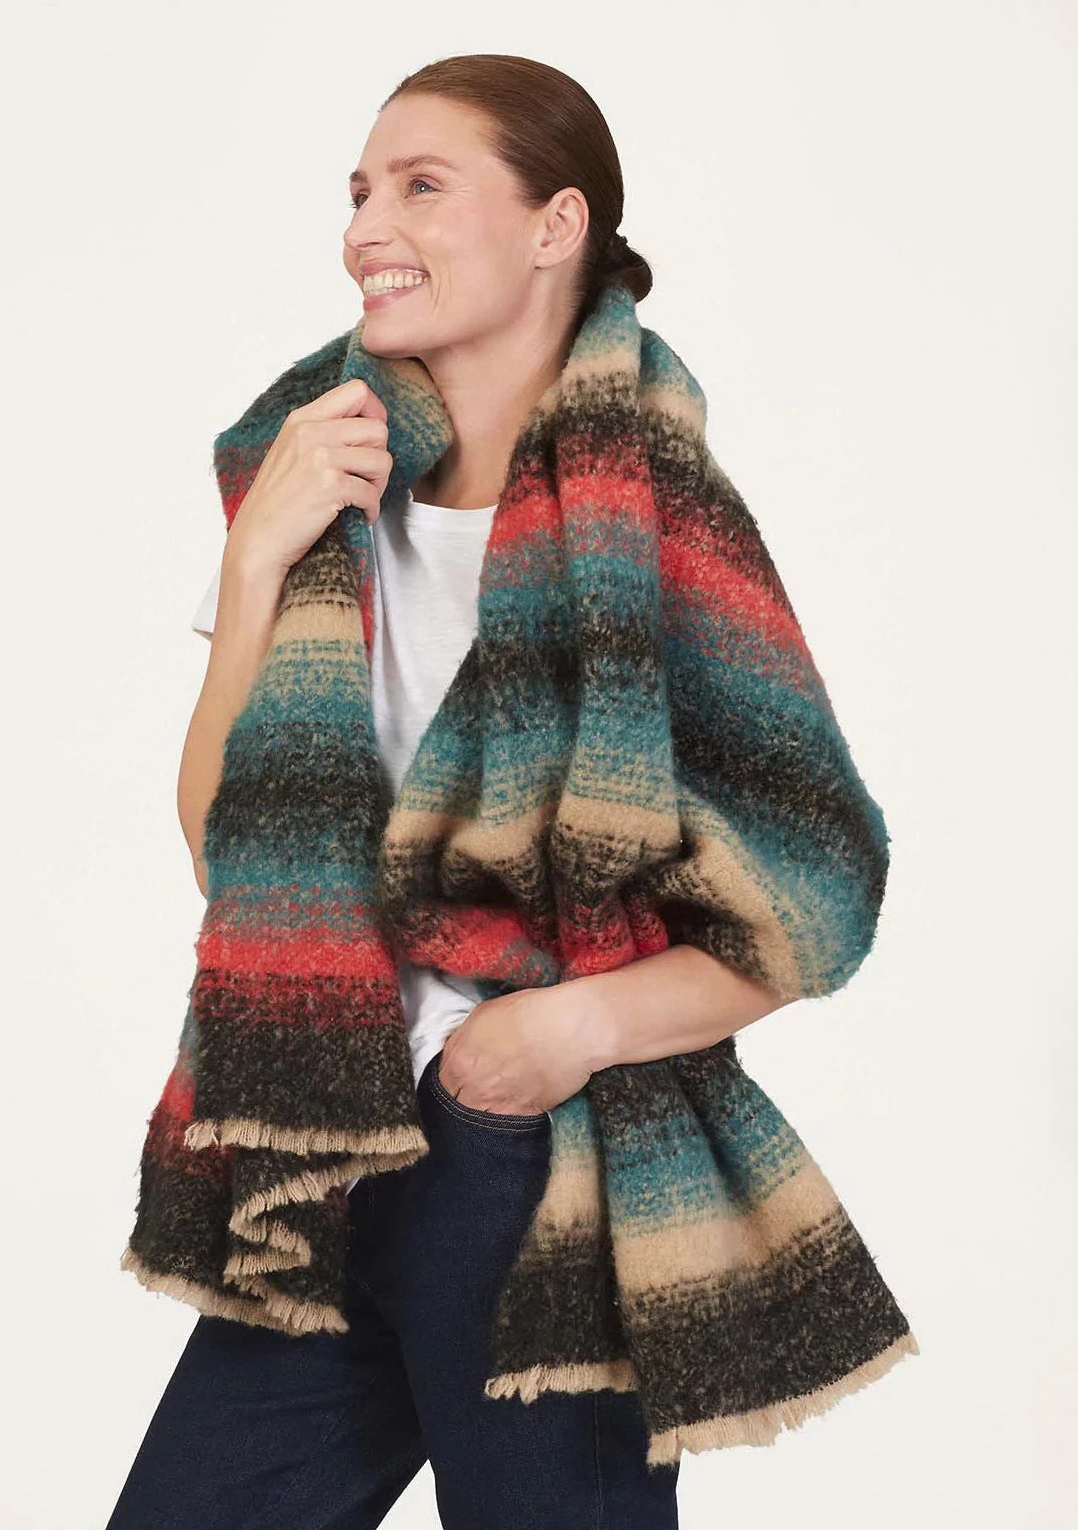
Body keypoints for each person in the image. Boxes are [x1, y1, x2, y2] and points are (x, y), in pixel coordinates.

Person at [107, 53, 794, 1530]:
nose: (369, 226)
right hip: (325, 1135)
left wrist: (557, 1035)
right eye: (361, 191)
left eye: (423, 186)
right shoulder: (322, 487)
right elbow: (225, 845)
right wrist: (254, 558)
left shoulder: (656, 520)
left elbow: (810, 894)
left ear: (557, 224)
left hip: (533, 1159)